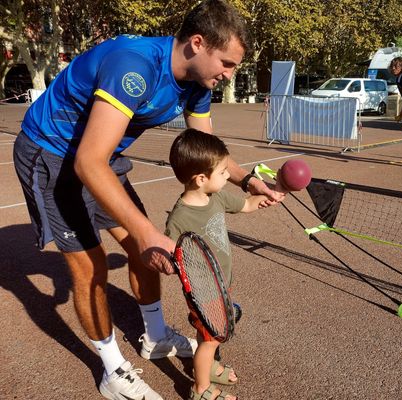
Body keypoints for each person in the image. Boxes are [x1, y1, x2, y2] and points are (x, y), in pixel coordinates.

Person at [12, 1, 282, 399]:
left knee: (141, 248)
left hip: (101, 155)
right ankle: (111, 371)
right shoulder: (134, 66)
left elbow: (209, 150)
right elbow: (88, 161)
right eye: (226, 63)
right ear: (197, 43)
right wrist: (148, 234)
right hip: (51, 153)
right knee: (92, 267)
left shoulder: (196, 82)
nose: (228, 74)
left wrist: (246, 181)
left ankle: (154, 338)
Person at [166, 129, 278, 400]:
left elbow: (247, 205)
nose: (229, 176)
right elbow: (172, 256)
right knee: (209, 339)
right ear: (201, 179)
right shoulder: (179, 219)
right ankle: (200, 388)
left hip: (220, 284)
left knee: (209, 336)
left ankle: (209, 367)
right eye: (223, 172)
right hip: (203, 294)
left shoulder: (215, 197)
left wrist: (272, 194)